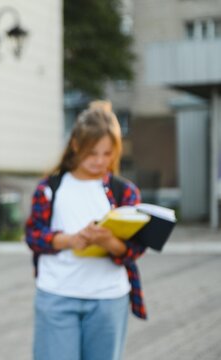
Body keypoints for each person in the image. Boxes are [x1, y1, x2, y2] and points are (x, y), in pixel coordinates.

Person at [25, 101, 147, 360]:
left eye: (107, 153)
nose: (100, 161)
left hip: (109, 300)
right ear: (76, 146)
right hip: (57, 296)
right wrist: (71, 240)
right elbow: (34, 235)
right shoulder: (50, 188)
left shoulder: (124, 191)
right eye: (93, 153)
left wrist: (109, 242)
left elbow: (135, 249)